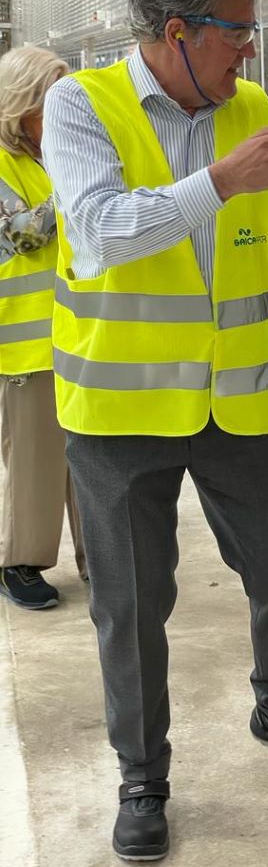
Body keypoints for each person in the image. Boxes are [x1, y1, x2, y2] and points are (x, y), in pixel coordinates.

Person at [42, 0, 268, 861]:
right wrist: (218, 183)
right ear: (176, 31)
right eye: (238, 33)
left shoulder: (249, 105)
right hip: (120, 412)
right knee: (134, 605)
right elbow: (100, 230)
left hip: (239, 407)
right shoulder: (81, 105)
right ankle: (142, 773)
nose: (250, 52)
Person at [0, 46, 85, 610]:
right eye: (47, 103)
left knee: (90, 457)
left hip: (77, 336)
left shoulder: (53, 155)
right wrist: (75, 196)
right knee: (35, 460)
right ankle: (20, 562)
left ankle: (101, 557)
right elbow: (19, 234)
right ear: (19, 102)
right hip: (23, 346)